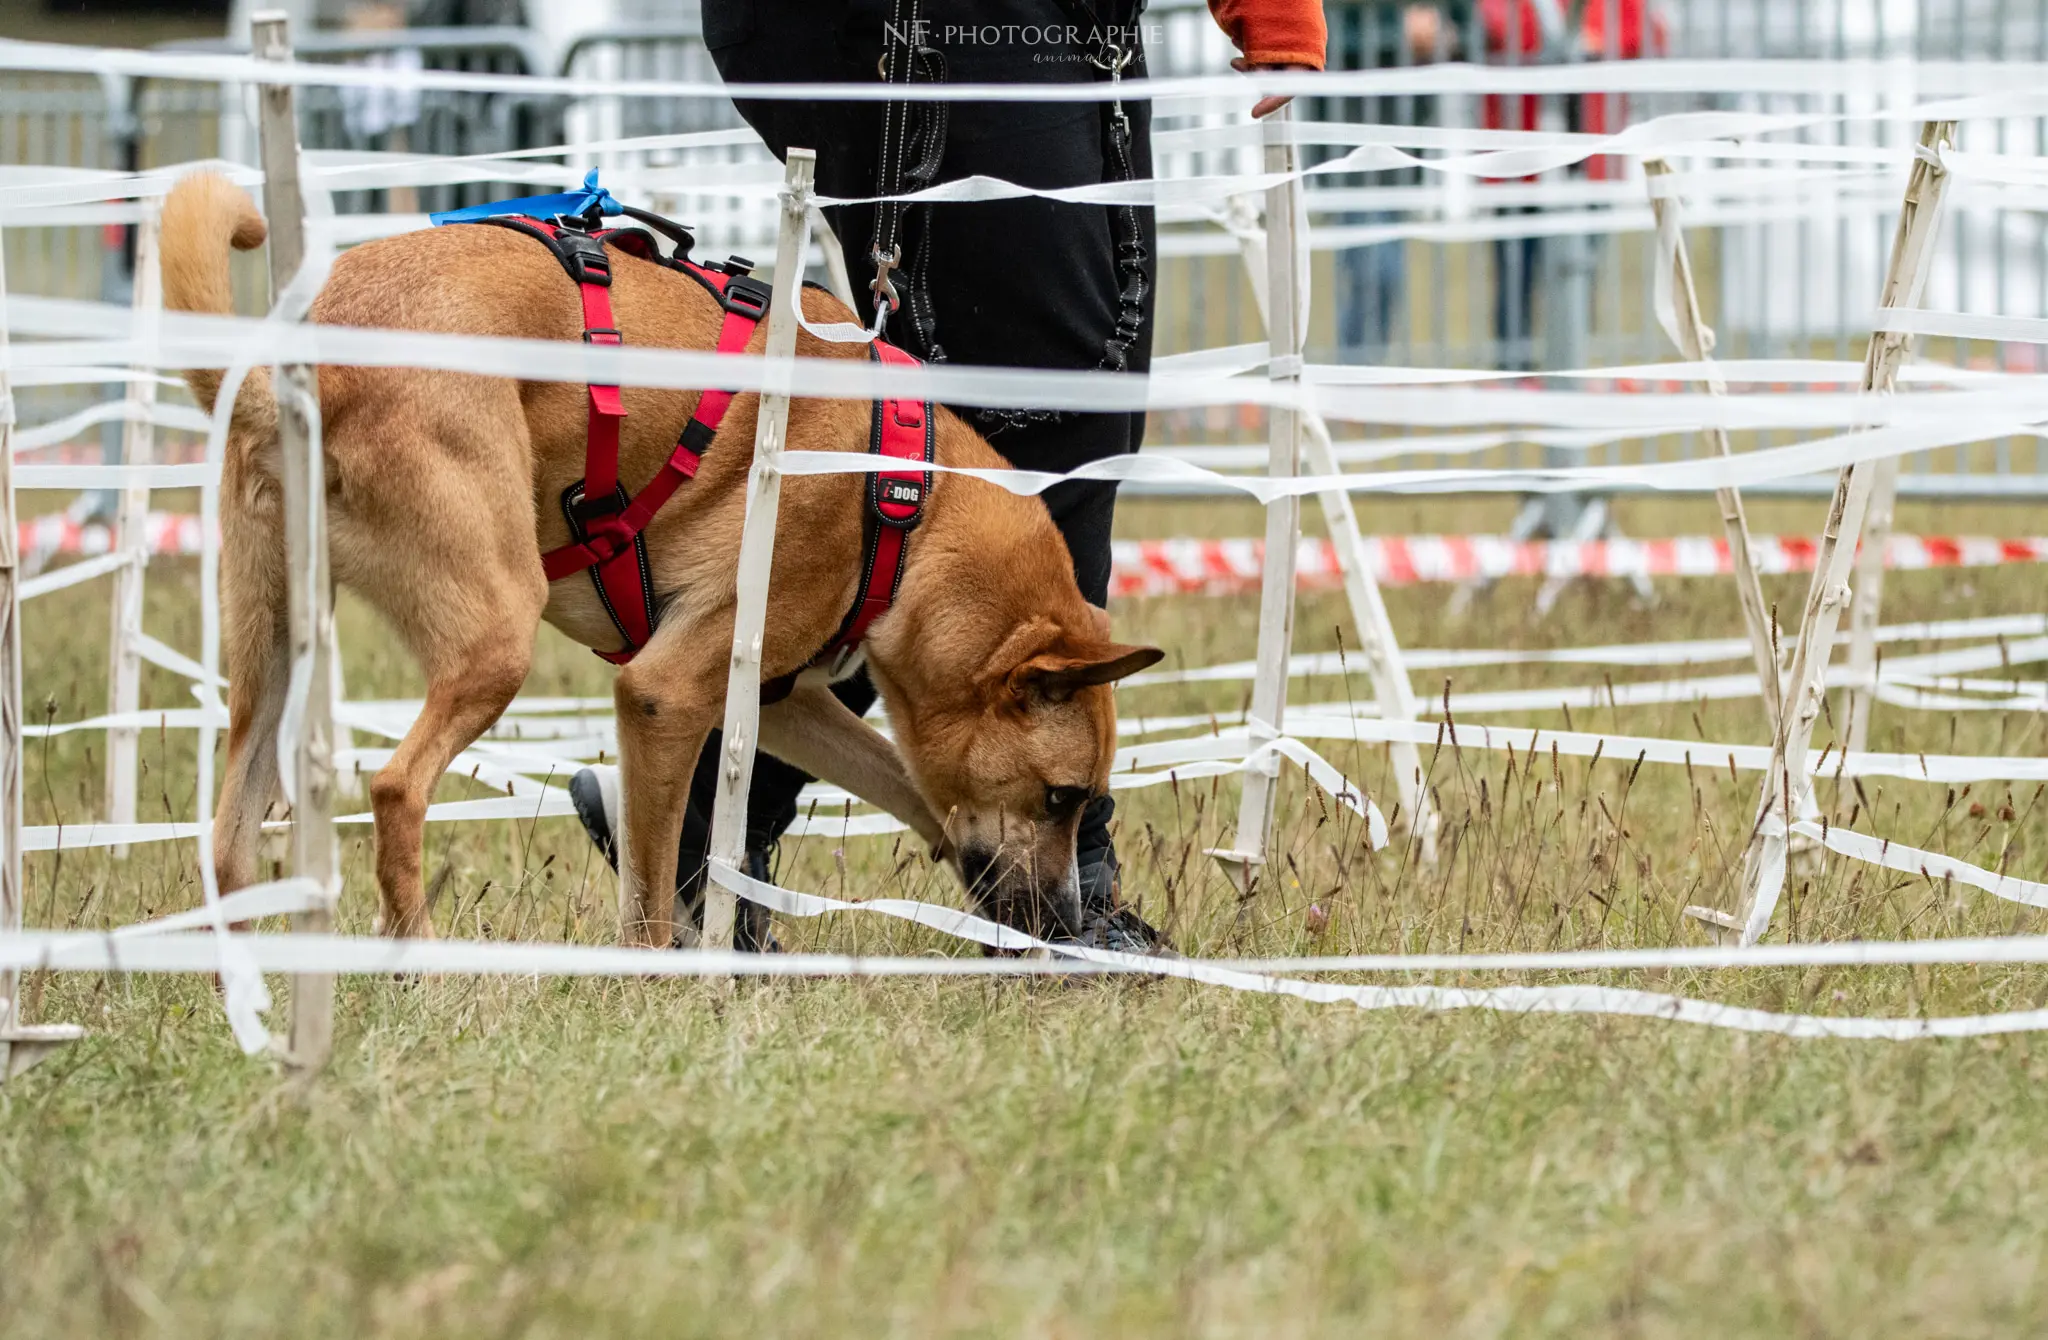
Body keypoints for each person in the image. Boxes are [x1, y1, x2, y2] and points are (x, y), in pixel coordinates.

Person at [569, 0, 1328, 952]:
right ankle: (1066, 900)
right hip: (942, 19)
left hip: (1054, 24)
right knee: (1039, 427)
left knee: (1064, 420)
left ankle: (708, 793)